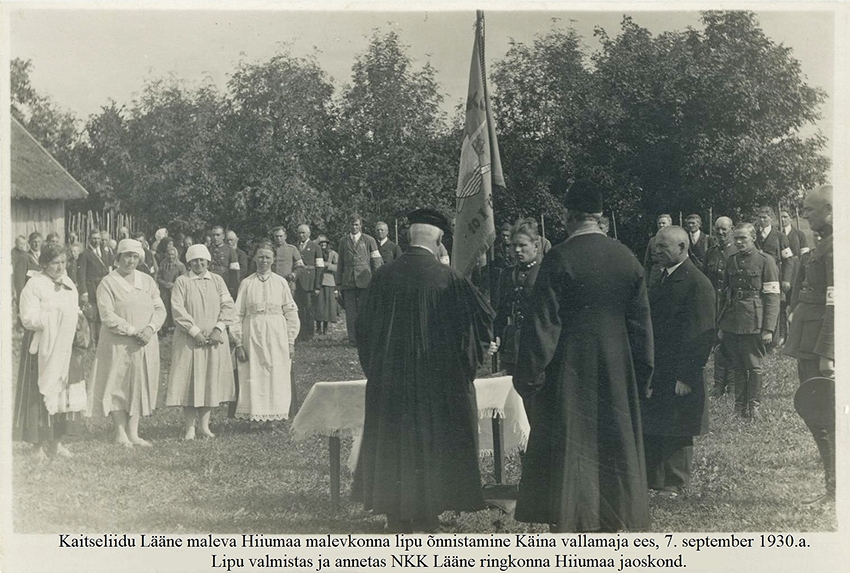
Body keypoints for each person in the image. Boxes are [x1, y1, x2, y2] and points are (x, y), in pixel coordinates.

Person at [513, 179, 653, 533]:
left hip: (569, 373)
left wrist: (529, 377)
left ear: (568, 217)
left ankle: (572, 523)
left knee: (571, 449)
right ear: (600, 216)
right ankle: (614, 521)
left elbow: (543, 325)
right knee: (613, 446)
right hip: (617, 372)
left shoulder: (559, 258)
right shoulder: (627, 257)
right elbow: (642, 326)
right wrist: (641, 377)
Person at [352, 208, 495, 533]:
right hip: (436, 383)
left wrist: (378, 370)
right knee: (432, 442)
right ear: (439, 240)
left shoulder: (383, 277)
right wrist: (463, 370)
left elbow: (363, 330)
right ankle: (428, 516)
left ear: (408, 237)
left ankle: (395, 517)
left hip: (390, 381)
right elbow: (476, 329)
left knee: (394, 441)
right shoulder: (450, 279)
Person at [641, 226, 715, 498]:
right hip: (661, 367)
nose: (657, 251)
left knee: (679, 426)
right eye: (656, 246)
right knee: (659, 421)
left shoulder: (697, 283)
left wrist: (686, 376)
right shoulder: (663, 277)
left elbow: (701, 335)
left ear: (682, 248)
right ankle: (656, 480)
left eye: (663, 247)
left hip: (680, 370)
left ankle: (676, 483)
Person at [88, 239, 166, 446]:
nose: (130, 261)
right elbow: (107, 315)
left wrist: (150, 329)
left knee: (138, 383)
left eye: (135, 257)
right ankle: (120, 433)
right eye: (127, 256)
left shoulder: (147, 281)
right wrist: (132, 330)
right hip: (119, 342)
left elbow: (160, 309)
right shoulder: (108, 282)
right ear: (118, 258)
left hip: (145, 341)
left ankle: (134, 433)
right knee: (118, 383)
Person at [784, 185, 834, 505]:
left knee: (827, 416)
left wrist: (828, 353)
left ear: (830, 209)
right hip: (809, 341)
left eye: (809, 209)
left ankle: (836, 490)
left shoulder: (837, 248)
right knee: (816, 414)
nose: (804, 215)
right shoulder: (823, 243)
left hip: (820, 346)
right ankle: (834, 487)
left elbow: (837, 306)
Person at [13, 244, 84, 458]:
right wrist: (55, 318)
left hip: (65, 345)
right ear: (44, 263)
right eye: (55, 263)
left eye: (63, 262)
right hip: (41, 345)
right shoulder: (34, 284)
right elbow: (28, 317)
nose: (60, 267)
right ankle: (36, 446)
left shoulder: (68, 283)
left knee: (61, 390)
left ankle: (55, 443)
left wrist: (75, 319)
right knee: (38, 391)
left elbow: (74, 309)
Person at [166, 244, 237, 440]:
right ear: (189, 262)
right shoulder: (182, 281)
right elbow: (177, 310)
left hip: (214, 340)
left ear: (208, 261)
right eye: (194, 261)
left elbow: (228, 305)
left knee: (209, 380)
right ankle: (189, 427)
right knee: (189, 381)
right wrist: (194, 332)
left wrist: (218, 329)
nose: (198, 264)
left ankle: (204, 426)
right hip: (189, 340)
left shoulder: (217, 280)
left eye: (202, 260)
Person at [230, 242, 301, 423]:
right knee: (253, 373)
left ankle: (274, 416)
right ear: (255, 258)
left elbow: (291, 312)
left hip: (277, 335)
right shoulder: (247, 283)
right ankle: (254, 416)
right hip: (252, 334)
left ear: (273, 259)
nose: (264, 261)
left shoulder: (281, 282)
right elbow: (237, 314)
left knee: (276, 372)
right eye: (260, 257)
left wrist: (290, 341)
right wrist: (238, 343)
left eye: (268, 257)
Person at [717, 223, 780, 420]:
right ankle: (739, 408)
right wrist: (721, 323)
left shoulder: (765, 261)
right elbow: (725, 294)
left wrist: (768, 328)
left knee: (753, 364)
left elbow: (772, 297)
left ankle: (754, 407)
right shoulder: (732, 260)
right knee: (737, 365)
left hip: (753, 320)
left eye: (743, 238)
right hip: (733, 320)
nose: (738, 242)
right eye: (736, 238)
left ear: (753, 238)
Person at [493, 218, 543, 377]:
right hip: (511, 343)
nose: (517, 250)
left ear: (536, 246)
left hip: (536, 342)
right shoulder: (507, 274)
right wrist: (496, 334)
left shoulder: (546, 273)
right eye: (513, 245)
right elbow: (501, 310)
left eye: (522, 245)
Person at [703, 216, 738, 398]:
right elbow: (704, 279)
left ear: (732, 229)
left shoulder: (737, 252)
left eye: (724, 229)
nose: (720, 232)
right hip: (714, 304)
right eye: (717, 229)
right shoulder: (710, 253)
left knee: (730, 342)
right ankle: (718, 385)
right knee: (717, 343)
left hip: (730, 304)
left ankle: (732, 385)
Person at [336, 214, 382, 345]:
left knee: (364, 311)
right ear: (348, 225)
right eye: (352, 224)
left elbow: (376, 262)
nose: (354, 227)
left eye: (356, 224)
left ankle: (365, 339)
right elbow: (340, 264)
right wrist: (338, 283)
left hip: (365, 281)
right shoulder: (343, 241)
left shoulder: (369, 240)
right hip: (348, 281)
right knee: (350, 313)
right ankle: (353, 340)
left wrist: (376, 280)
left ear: (361, 225)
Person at [755, 206, 794, 346]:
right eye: (760, 217)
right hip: (757, 277)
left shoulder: (779, 236)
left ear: (771, 218)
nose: (762, 220)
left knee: (778, 305)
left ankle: (780, 336)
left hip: (775, 277)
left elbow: (788, 259)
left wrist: (786, 279)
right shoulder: (754, 235)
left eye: (765, 217)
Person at [77, 229, 112, 340]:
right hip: (91, 288)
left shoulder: (104, 252)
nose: (96, 241)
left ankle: (101, 340)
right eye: (94, 239)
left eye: (98, 238)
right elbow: (81, 275)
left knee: (102, 314)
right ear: (89, 240)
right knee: (92, 315)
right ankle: (91, 341)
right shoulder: (84, 254)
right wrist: (84, 292)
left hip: (103, 287)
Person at [294, 224, 323, 343]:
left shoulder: (316, 247)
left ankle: (309, 333)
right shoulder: (294, 246)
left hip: (310, 282)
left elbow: (320, 268)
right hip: (297, 282)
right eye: (299, 233)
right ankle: (300, 333)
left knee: (309, 309)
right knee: (298, 308)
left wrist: (317, 286)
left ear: (309, 234)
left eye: (303, 233)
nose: (301, 235)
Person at [155, 245, 185, 333]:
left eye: (172, 254)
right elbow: (158, 277)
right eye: (169, 254)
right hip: (164, 291)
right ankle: (165, 326)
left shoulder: (180, 266)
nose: (171, 256)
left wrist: (173, 284)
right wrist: (164, 283)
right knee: (165, 307)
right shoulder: (163, 264)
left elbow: (183, 278)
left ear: (176, 255)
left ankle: (175, 325)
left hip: (175, 290)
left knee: (175, 307)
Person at [313, 235, 339, 335]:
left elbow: (338, 267)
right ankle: (318, 327)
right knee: (319, 305)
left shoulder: (333, 254)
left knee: (327, 306)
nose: (323, 245)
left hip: (329, 281)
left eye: (325, 243)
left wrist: (327, 265)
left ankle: (325, 328)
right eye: (321, 243)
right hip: (317, 281)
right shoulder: (316, 253)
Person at [207, 225, 241, 301]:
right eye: (213, 235)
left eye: (218, 235)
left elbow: (235, 272)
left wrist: (233, 288)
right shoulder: (207, 250)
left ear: (223, 236)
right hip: (209, 284)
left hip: (224, 284)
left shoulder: (230, 251)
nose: (215, 237)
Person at [13, 231, 43, 302]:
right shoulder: (24, 258)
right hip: (29, 295)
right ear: (29, 243)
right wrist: (21, 299)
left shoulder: (45, 257)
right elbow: (19, 282)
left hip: (42, 294)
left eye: (39, 242)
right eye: (34, 242)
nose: (37, 244)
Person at [643, 213, 672, 285]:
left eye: (664, 223)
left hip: (670, 276)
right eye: (659, 223)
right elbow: (647, 263)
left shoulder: (675, 240)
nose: (661, 225)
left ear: (670, 224)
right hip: (655, 277)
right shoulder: (652, 241)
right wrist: (646, 282)